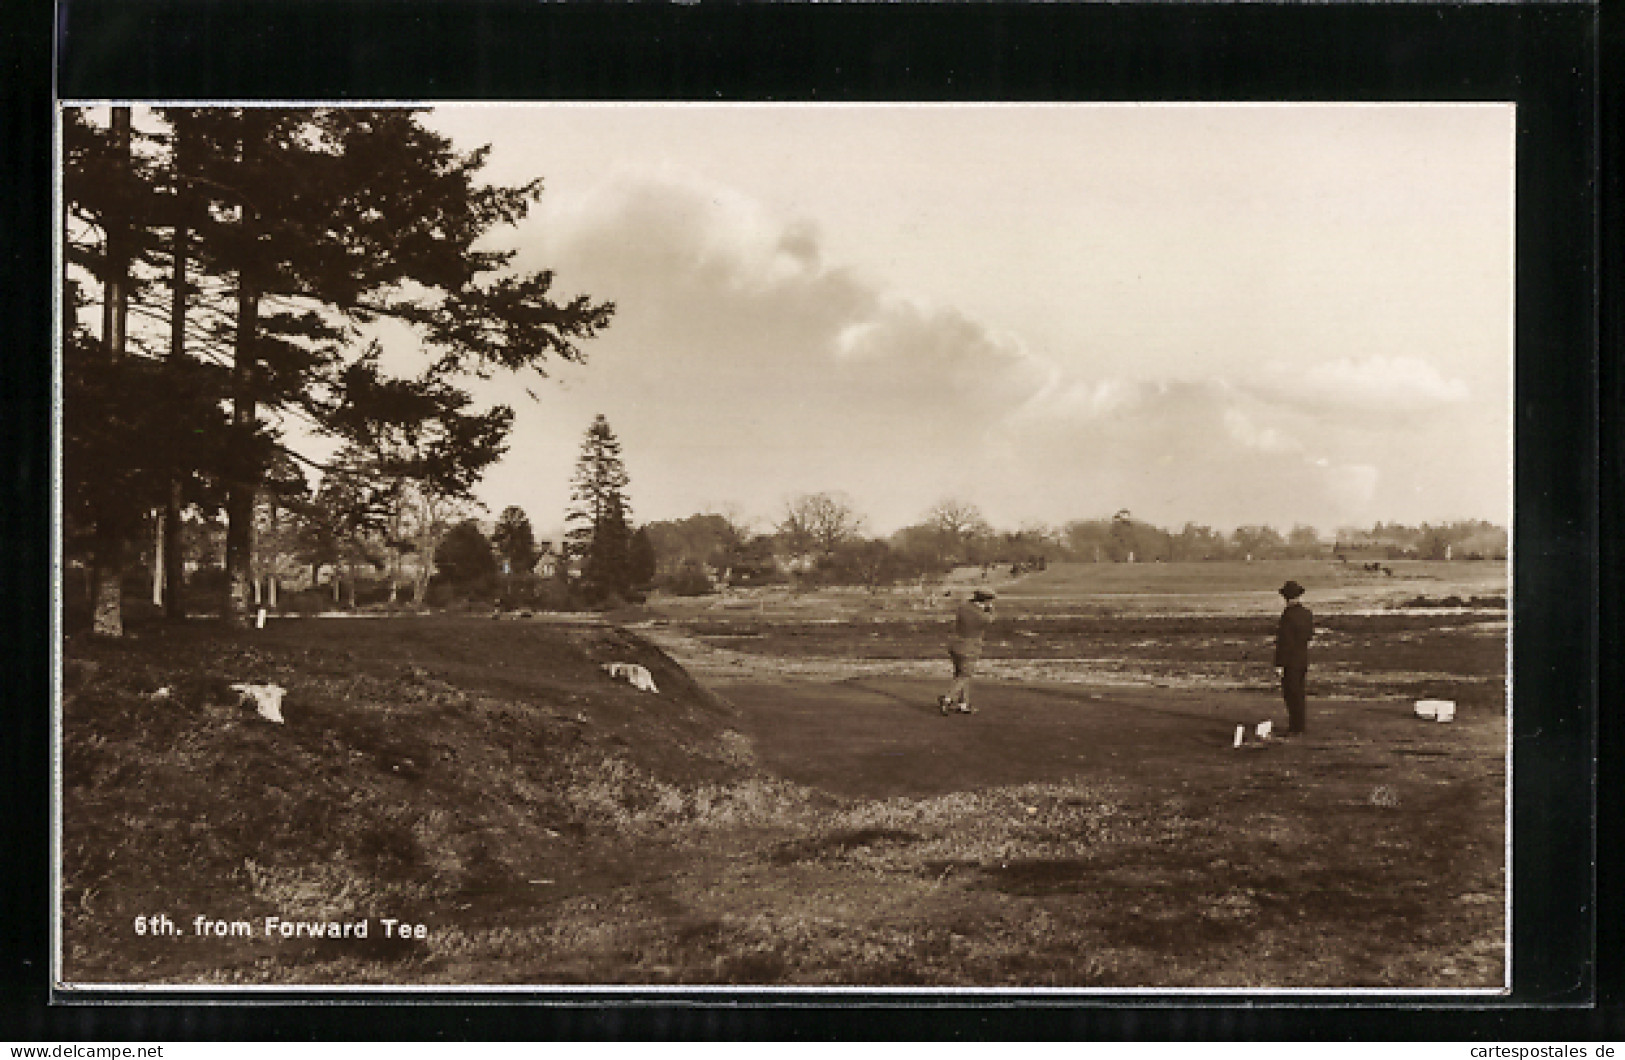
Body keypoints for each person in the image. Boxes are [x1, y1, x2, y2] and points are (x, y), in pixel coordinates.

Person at [939, 589, 995, 715]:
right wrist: (990, 608)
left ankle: (963, 704)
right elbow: (990, 619)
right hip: (969, 647)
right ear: (986, 601)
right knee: (965, 675)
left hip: (955, 644)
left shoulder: (963, 608)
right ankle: (947, 698)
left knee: (960, 674)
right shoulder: (981, 616)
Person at [1273, 579, 1314, 735]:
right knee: (1299, 693)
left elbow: (1285, 642)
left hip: (1290, 661)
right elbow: (1308, 636)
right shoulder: (1307, 614)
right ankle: (1299, 725)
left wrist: (1279, 664)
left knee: (1291, 694)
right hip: (1302, 658)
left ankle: (1295, 727)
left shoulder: (1288, 616)